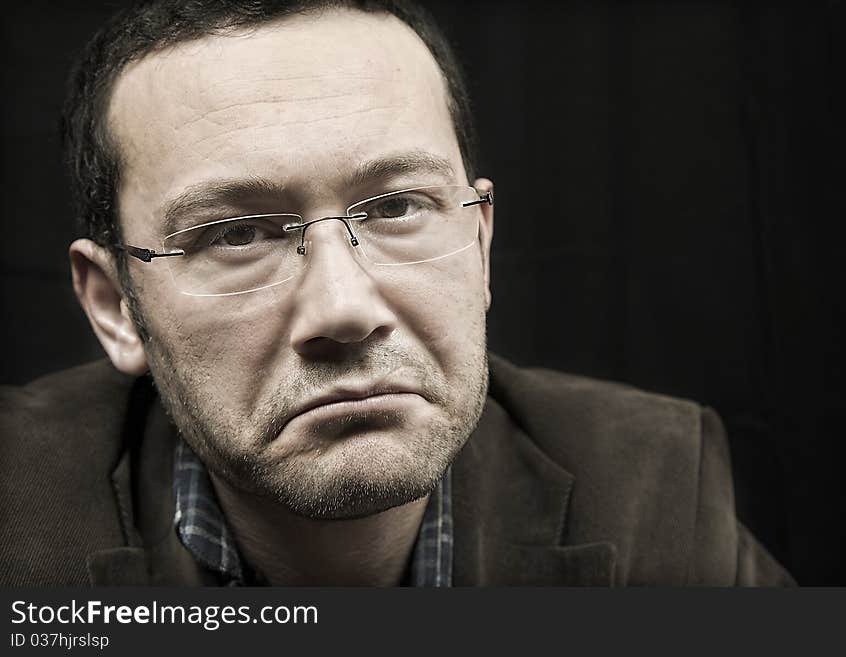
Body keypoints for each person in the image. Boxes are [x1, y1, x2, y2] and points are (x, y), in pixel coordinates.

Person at [0, 0, 793, 586]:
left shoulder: (649, 485)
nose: (344, 308)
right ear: (114, 306)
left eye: (396, 207)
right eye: (236, 234)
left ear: (479, 246)